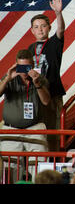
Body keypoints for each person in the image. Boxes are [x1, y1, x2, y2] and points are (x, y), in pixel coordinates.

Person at [0, 49, 50, 183]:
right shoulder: (9, 78)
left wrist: (37, 83)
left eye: (27, 67)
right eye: (20, 67)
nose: (23, 71)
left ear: (32, 66)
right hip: (11, 128)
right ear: (15, 65)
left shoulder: (40, 79)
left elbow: (46, 101)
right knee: (10, 166)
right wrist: (7, 78)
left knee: (40, 164)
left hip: (34, 127)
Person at [28, 0, 65, 152]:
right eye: (36, 27)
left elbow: (61, 30)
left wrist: (58, 13)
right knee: (36, 133)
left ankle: (53, 164)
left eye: (43, 26)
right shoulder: (29, 49)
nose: (40, 29)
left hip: (52, 94)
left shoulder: (54, 43)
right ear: (32, 31)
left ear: (49, 28)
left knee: (52, 133)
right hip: (35, 95)